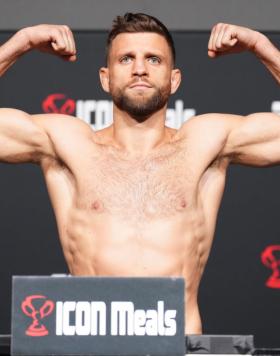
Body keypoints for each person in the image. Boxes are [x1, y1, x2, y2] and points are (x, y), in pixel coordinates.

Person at [0, 13, 279, 334]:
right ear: (105, 78)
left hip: (181, 345)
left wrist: (262, 47)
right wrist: (20, 44)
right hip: (92, 344)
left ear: (174, 79)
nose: (140, 69)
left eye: (153, 59)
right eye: (126, 59)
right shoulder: (68, 144)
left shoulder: (205, 142)